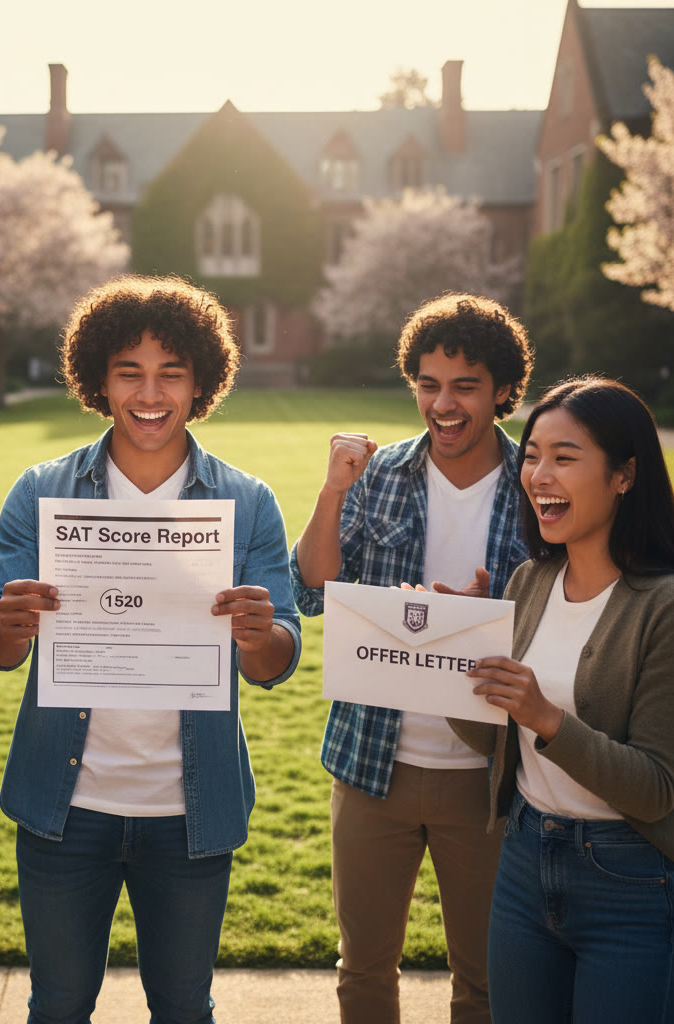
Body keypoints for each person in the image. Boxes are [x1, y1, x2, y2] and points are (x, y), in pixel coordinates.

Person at [0, 275, 301, 1024]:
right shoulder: (44, 490)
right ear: (99, 380)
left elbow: (277, 660)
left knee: (185, 1006)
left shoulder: (246, 502)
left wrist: (260, 633)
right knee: (57, 1004)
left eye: (171, 373)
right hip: (66, 805)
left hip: (189, 808)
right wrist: (10, 620)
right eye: (130, 372)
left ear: (201, 383)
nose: (150, 394)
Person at [292, 293, 535, 1024]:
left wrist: (496, 614)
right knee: (363, 972)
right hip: (372, 764)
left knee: (487, 982)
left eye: (465, 385)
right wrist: (334, 489)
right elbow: (314, 590)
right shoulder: (380, 473)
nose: (444, 403)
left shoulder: (536, 485)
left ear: (502, 392)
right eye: (429, 384)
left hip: (491, 777)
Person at [450, 376, 674, 1023]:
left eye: (565, 457)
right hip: (523, 860)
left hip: (630, 881)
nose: (538, 474)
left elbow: (657, 787)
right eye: (532, 454)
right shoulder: (530, 581)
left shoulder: (662, 607)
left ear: (625, 475)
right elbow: (494, 735)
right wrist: (454, 660)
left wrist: (546, 717)